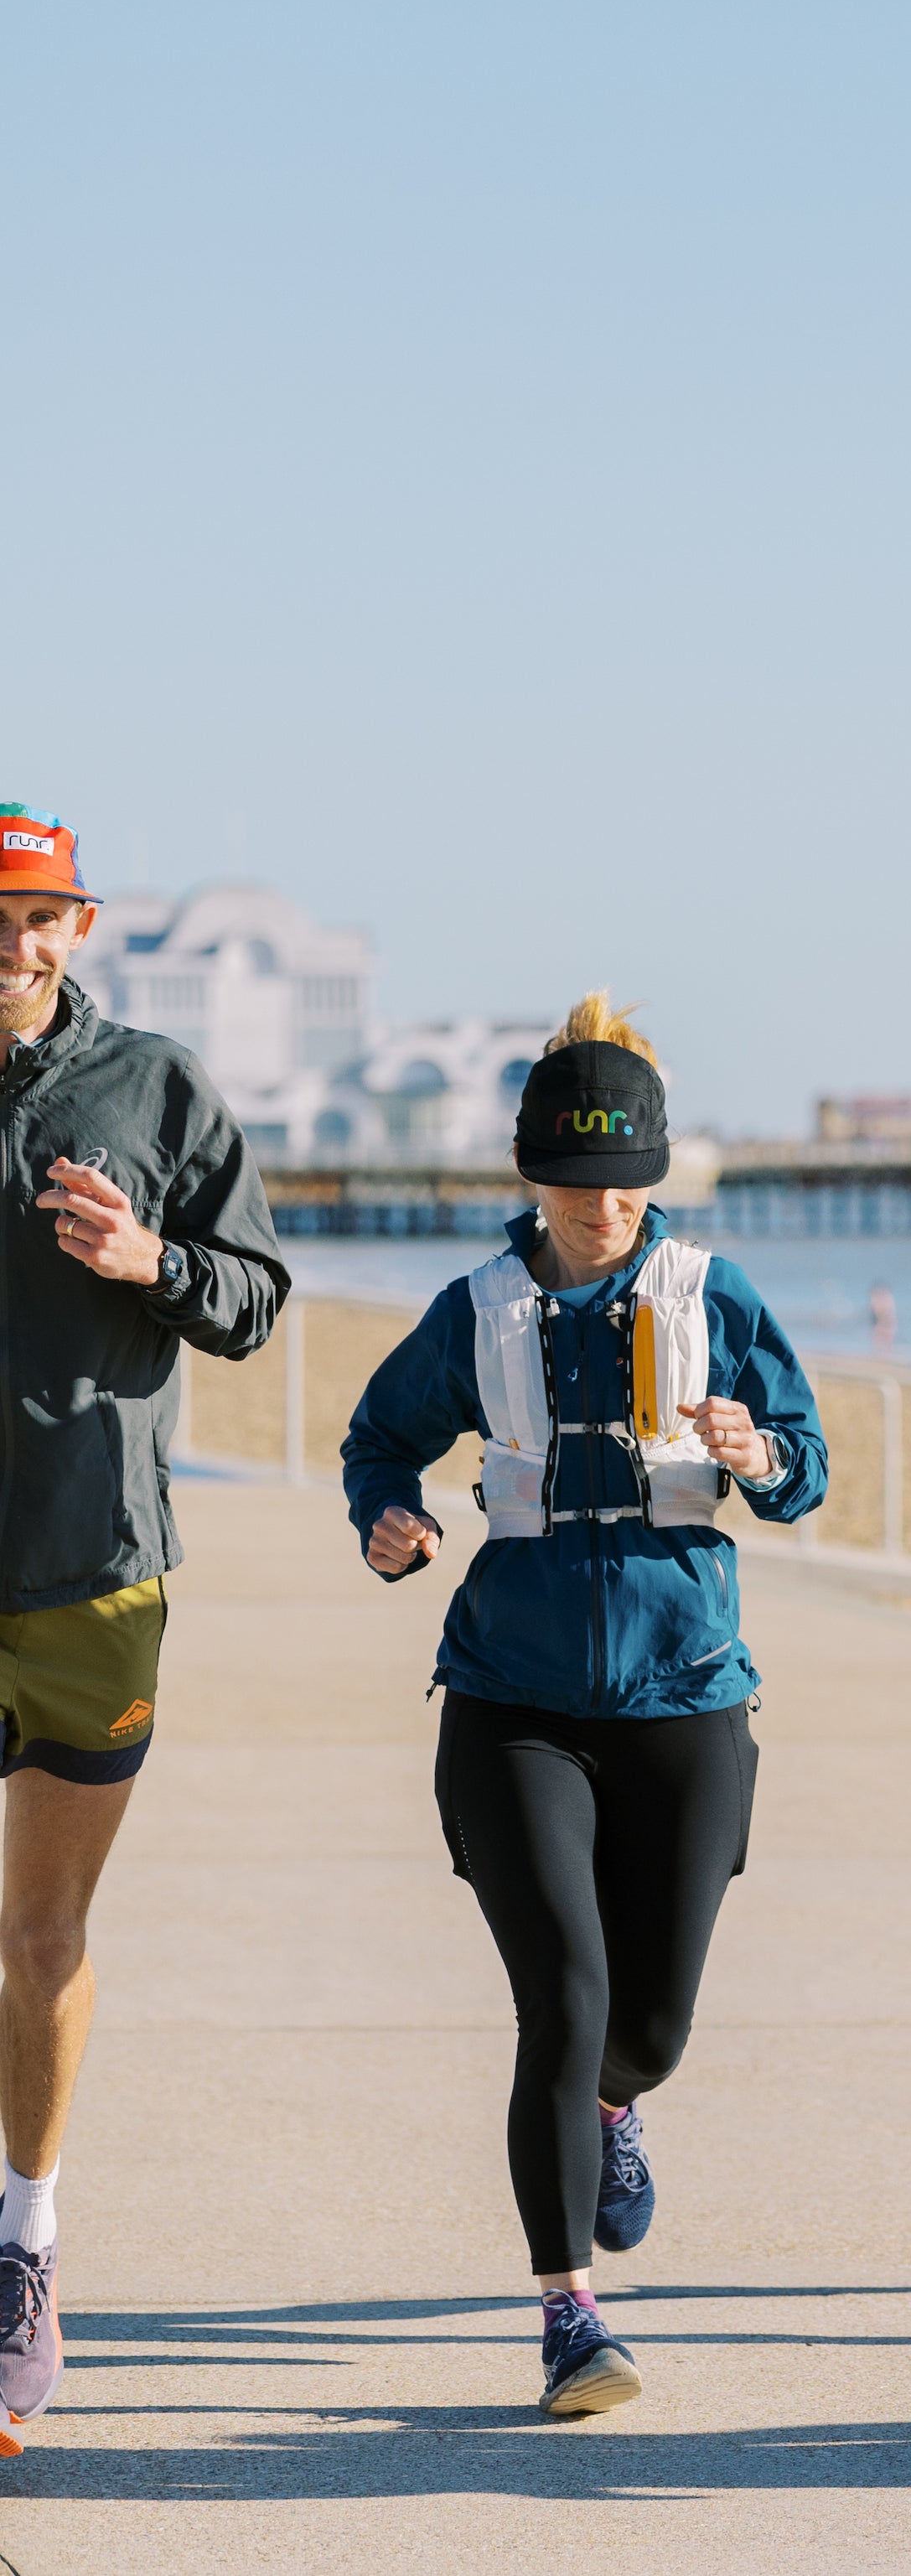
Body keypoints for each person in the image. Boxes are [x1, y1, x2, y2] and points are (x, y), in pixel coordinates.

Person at [339, 996, 830, 2418]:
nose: (602, 1209)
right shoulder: (477, 1309)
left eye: (624, 1184)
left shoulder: (714, 1296)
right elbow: (380, 1439)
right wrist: (388, 1519)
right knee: (562, 1995)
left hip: (687, 1689)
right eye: (574, 1182)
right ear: (531, 1173)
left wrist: (757, 1450)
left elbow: (804, 1470)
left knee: (649, 2027)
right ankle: (569, 2316)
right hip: (512, 1698)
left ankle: (617, 2106)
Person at [0, 803, 290, 2454]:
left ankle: (25, 2242)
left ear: (80, 928)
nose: (13, 942)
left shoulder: (155, 1089)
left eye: (38, 916)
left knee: (41, 1938)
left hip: (90, 1570)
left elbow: (254, 1301)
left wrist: (148, 1256)